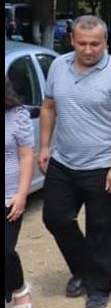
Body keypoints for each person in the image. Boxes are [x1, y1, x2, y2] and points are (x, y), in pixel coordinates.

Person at [39, 15, 111, 308]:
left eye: (95, 44)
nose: (88, 50)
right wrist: (44, 146)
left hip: (102, 165)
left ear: (105, 42)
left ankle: (99, 288)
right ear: (72, 40)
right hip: (62, 161)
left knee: (101, 230)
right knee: (54, 218)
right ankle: (83, 269)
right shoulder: (58, 65)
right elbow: (48, 106)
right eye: (82, 43)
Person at [6, 79, 34, 308]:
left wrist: (22, 194)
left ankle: (20, 290)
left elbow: (26, 156)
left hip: (9, 196)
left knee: (6, 250)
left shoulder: (17, 115)